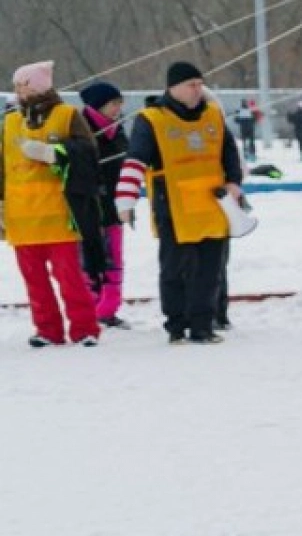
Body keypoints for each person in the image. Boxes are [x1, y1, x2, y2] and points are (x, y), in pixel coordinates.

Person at [117, 62, 242, 344]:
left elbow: (228, 152)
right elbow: (135, 160)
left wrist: (234, 182)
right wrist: (125, 199)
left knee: (210, 270)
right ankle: (176, 324)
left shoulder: (212, 114)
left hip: (212, 203)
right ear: (173, 87)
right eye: (191, 85)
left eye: (200, 84)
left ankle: (203, 324)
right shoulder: (151, 119)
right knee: (175, 268)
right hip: (172, 204)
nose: (198, 90)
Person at [3, 61, 104, 347]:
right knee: (34, 281)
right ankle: (47, 329)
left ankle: (85, 328)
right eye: (17, 86)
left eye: (23, 85)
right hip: (22, 216)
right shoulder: (9, 122)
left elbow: (88, 154)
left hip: (60, 214)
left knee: (70, 278)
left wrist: (54, 152)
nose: (19, 91)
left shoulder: (67, 115)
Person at [78, 81, 132, 329]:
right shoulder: (79, 129)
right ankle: (90, 307)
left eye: (119, 104)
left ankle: (108, 309)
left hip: (115, 205)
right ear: (97, 106)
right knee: (89, 258)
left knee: (114, 258)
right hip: (87, 206)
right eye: (113, 104)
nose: (117, 109)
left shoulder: (117, 129)